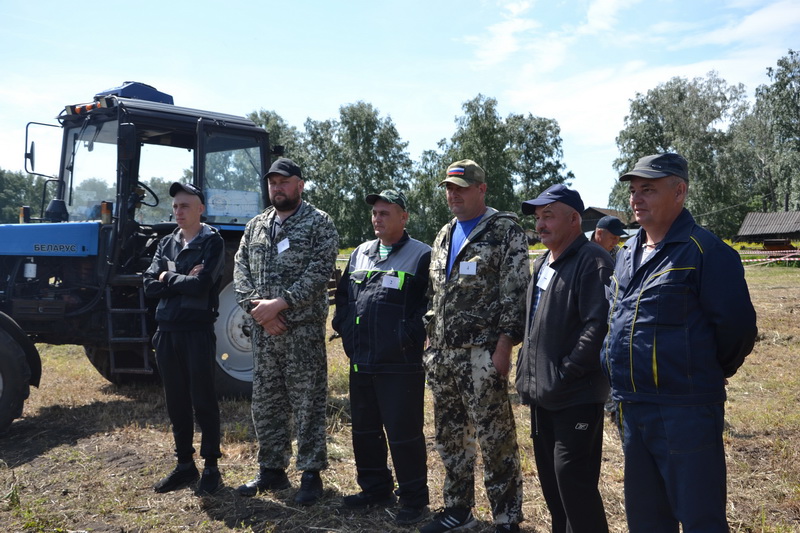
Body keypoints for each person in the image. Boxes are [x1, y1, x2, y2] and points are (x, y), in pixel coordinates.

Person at [602, 153, 758, 532]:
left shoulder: (706, 252)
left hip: (685, 411)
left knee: (700, 516)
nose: (636, 199)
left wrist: (707, 371)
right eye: (634, 191)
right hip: (632, 408)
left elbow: (737, 329)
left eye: (649, 190)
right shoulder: (625, 255)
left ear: (679, 191)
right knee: (646, 518)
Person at [421, 159, 529, 533]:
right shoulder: (444, 234)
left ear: (481, 189)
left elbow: (515, 295)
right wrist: (430, 336)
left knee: (494, 437)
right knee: (451, 436)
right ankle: (458, 510)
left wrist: (505, 345)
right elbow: (437, 294)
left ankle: (506, 516)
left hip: (483, 354)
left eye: (461, 188)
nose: (453, 195)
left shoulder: (504, 231)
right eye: (449, 189)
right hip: (444, 357)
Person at [233, 157, 339, 505]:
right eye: (272, 183)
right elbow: (240, 271)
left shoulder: (318, 223)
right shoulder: (256, 226)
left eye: (284, 182)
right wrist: (257, 310)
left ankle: (310, 474)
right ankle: (272, 471)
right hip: (264, 334)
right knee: (266, 402)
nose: (277, 188)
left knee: (308, 404)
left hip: (301, 333)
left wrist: (280, 304)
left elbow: (319, 271)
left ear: (300, 184)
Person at [332, 189, 431, 526]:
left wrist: (407, 337)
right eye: (375, 213)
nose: (378, 218)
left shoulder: (422, 256)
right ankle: (375, 488)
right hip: (362, 360)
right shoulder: (360, 253)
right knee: (364, 430)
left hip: (400, 363)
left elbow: (428, 308)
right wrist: (345, 328)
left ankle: (414, 499)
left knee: (404, 433)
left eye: (385, 213)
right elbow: (344, 298)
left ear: (404, 217)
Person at [516, 184, 611, 533]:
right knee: (554, 490)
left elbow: (597, 326)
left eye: (549, 216)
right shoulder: (542, 262)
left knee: (574, 483)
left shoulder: (594, 261)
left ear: (574, 219)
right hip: (544, 397)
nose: (541, 225)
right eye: (538, 218)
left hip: (576, 396)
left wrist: (566, 372)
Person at [143, 182, 225, 495]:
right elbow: (149, 284)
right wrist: (175, 277)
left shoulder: (212, 242)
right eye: (176, 206)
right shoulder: (166, 242)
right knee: (175, 400)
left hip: (196, 330)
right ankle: (184, 466)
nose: (179, 211)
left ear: (200, 209)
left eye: (185, 206)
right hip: (166, 331)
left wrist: (167, 277)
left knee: (203, 399)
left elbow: (201, 286)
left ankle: (212, 467)